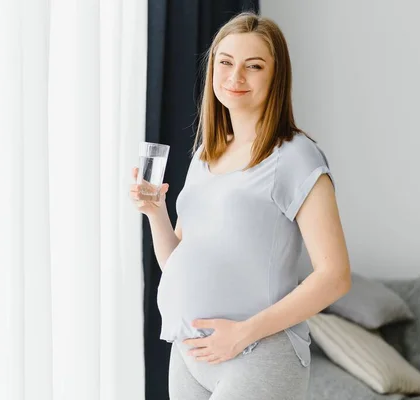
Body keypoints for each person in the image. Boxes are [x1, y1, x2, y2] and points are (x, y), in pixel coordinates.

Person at [129, 11, 351, 400]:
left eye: (254, 66)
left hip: (258, 352)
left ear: (276, 76)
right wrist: (156, 212)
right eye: (226, 63)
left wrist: (243, 334)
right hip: (190, 352)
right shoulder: (205, 155)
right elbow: (177, 263)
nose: (235, 77)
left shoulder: (296, 156)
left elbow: (334, 275)